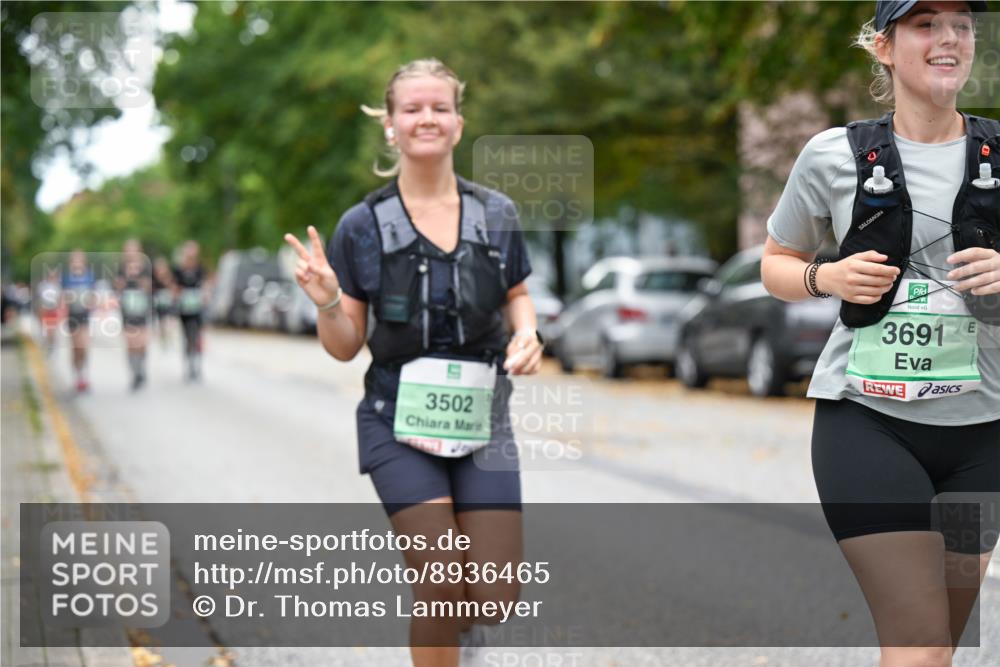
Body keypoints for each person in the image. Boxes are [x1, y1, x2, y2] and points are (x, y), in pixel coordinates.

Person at [761, 2, 998, 665]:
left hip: (984, 438)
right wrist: (826, 278)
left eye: (963, 25)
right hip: (868, 424)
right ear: (884, 47)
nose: (949, 38)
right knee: (920, 642)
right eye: (926, 24)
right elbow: (774, 264)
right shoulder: (832, 155)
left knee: (934, 645)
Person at [285, 58, 542, 666]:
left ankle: (463, 632)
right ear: (390, 126)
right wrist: (326, 300)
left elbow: (517, 295)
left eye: (440, 107)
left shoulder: (496, 215)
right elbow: (346, 344)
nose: (427, 118)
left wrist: (529, 335)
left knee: (496, 595)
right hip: (394, 420)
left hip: (482, 421)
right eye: (412, 108)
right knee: (438, 577)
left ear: (457, 122)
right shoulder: (362, 226)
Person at [116, 239, 153, 391]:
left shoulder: (145, 268)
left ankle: (141, 367)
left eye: (133, 250)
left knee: (142, 343)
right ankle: (135, 373)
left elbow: (149, 287)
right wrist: (126, 278)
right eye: (128, 250)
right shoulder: (121, 268)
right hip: (127, 310)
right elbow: (118, 287)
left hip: (142, 309)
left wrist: (139, 278)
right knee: (131, 343)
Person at [172, 241, 207, 382]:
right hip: (185, 309)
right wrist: (178, 294)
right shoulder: (179, 270)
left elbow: (205, 285)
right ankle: (188, 366)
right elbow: (174, 287)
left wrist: (204, 295)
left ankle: (197, 365)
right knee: (187, 338)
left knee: (197, 337)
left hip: (197, 309)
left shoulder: (200, 269)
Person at [62, 249, 96, 392]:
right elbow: (62, 297)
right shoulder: (66, 278)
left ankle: (84, 375)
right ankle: (77, 376)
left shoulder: (89, 277)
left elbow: (93, 296)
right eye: (74, 260)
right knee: (76, 347)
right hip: (72, 316)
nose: (77, 263)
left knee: (84, 346)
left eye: (79, 259)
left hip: (85, 315)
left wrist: (90, 302)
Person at [35, 267, 62, 355]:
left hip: (53, 311)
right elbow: (39, 300)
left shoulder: (57, 286)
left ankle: (51, 346)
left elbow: (59, 300)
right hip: (44, 310)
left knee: (52, 331)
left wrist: (60, 311)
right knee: (46, 331)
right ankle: (47, 344)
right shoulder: (42, 286)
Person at [152, 256, 176, 348]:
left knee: (168, 321)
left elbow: (173, 288)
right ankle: (163, 337)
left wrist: (166, 280)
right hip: (158, 304)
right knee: (161, 321)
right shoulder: (154, 278)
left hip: (168, 303)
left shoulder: (169, 277)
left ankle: (167, 336)